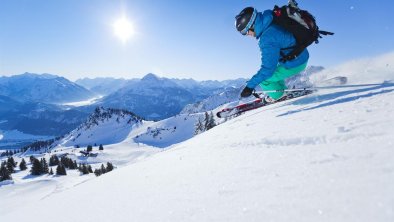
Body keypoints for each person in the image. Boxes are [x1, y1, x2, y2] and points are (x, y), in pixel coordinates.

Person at [235, 7, 309, 102]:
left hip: (296, 62)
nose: (247, 35)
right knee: (273, 73)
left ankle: (280, 96)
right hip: (300, 54)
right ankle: (281, 92)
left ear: (251, 25)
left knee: (265, 80)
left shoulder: (267, 38)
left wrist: (249, 87)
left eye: (245, 32)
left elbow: (268, 69)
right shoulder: (271, 20)